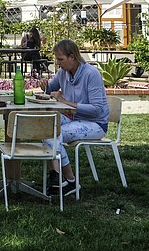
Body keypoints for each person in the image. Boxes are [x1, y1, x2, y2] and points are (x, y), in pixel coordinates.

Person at [39, 39, 109, 196]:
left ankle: (68, 180)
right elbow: (51, 89)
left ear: (72, 57)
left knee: (52, 135)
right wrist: (45, 86)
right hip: (73, 118)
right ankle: (58, 178)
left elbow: (97, 110)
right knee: (45, 127)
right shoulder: (63, 73)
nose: (58, 63)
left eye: (60, 59)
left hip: (95, 123)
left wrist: (66, 102)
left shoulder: (91, 74)